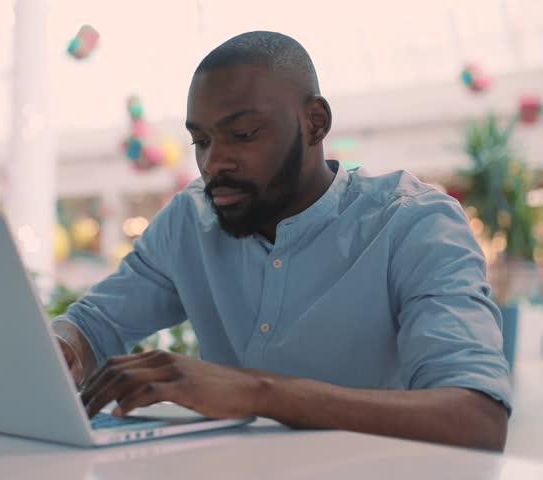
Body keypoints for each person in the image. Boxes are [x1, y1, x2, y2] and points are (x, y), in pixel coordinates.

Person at [53, 31, 510, 451]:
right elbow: (94, 327)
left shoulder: (414, 223)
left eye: (243, 134)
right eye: (201, 140)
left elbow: (476, 418)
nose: (214, 162)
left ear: (315, 122)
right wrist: (60, 347)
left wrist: (257, 392)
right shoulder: (189, 220)